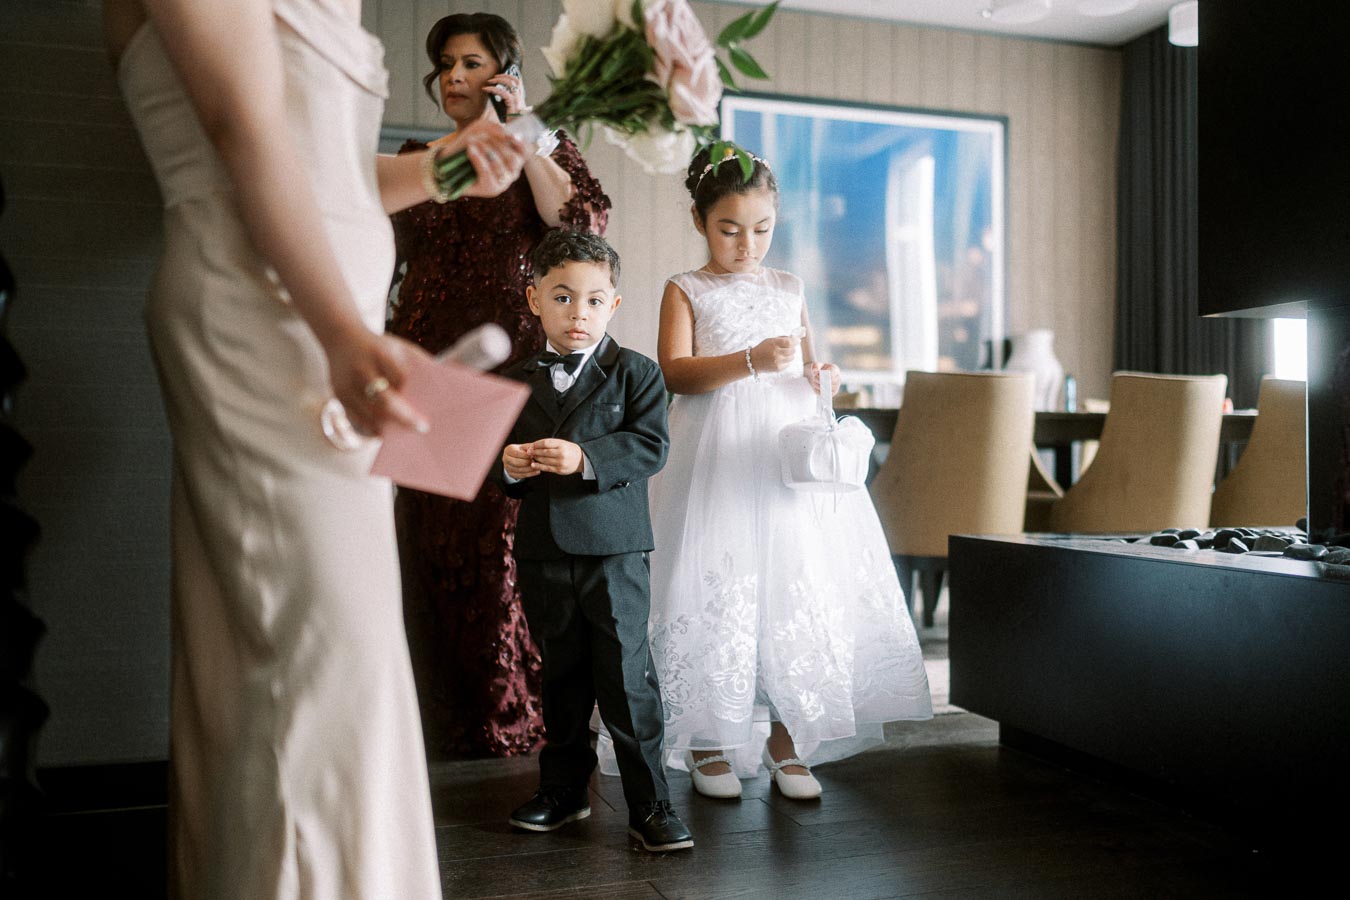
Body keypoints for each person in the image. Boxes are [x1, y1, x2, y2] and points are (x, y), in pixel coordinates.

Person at [103, 0, 527, 896]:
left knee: (316, 653)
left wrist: (447, 171)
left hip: (327, 320)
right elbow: (242, 132)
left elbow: (324, 172)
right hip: (267, 315)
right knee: (323, 659)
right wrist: (341, 333)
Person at [647, 146, 933, 801]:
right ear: (699, 219)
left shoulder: (789, 288)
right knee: (714, 578)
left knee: (794, 583)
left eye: (762, 229)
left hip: (782, 454)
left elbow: (806, 361)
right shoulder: (686, 288)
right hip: (714, 448)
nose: (747, 244)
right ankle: (707, 740)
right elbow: (674, 371)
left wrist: (821, 375)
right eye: (729, 229)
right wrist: (747, 359)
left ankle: (786, 740)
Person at [389, 11, 611, 759]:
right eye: (445, 63)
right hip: (426, 361)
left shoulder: (539, 150)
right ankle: (436, 723)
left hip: (510, 371)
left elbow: (580, 223)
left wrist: (527, 130)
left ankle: (513, 725)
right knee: (429, 539)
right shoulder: (418, 155)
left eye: (472, 62)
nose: (454, 76)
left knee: (501, 544)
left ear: (505, 74)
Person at [496, 229, 693, 853]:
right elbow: (488, 458)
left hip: (614, 552)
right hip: (544, 552)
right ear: (534, 301)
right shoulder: (514, 378)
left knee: (627, 680)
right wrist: (509, 465)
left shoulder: (635, 372)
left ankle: (651, 804)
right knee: (561, 677)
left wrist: (583, 456)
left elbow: (652, 446)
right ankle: (563, 793)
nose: (576, 313)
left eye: (591, 300)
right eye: (561, 297)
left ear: (613, 305)